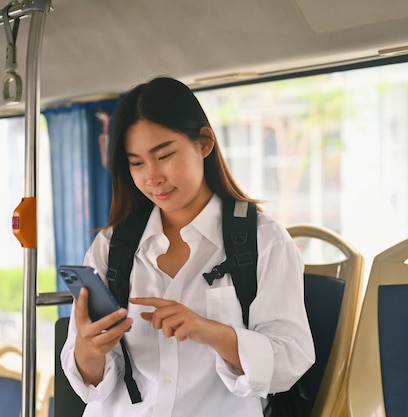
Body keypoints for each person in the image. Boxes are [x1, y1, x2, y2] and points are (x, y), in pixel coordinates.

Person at [60, 76, 315, 417]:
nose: (152, 177)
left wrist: (210, 331)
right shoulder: (111, 246)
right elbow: (92, 385)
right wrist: (89, 347)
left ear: (204, 143)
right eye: (137, 163)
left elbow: (290, 360)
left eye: (164, 155)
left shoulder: (263, 241)